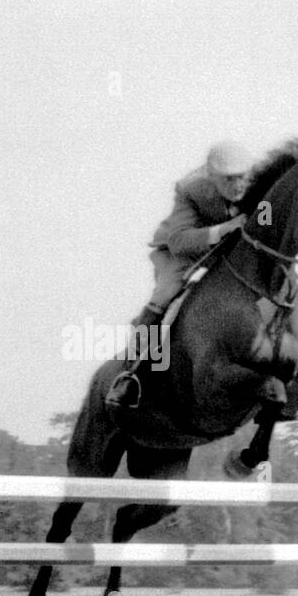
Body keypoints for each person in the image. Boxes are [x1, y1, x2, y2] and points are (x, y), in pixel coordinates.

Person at [105, 140, 254, 410]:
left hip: (225, 253)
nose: (238, 186)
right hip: (180, 252)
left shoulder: (255, 184)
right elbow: (178, 241)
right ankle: (131, 373)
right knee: (166, 294)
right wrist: (223, 230)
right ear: (212, 176)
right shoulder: (190, 189)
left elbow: (265, 218)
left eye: (242, 178)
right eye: (229, 180)